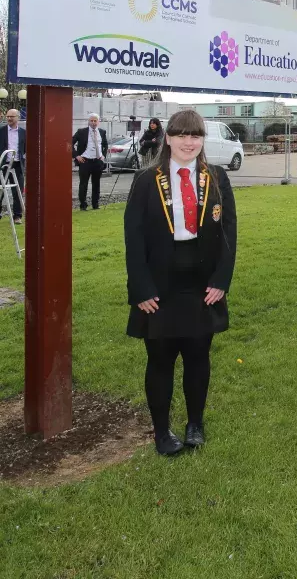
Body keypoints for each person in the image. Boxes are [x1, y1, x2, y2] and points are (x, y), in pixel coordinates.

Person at [124, 109, 237, 456]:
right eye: (182, 135)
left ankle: (195, 424)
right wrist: (141, 288)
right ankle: (161, 432)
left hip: (201, 284)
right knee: (159, 359)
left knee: (198, 355)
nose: (189, 142)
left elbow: (228, 233)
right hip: (160, 285)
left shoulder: (216, 177)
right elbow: (134, 237)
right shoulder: (146, 181)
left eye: (196, 136)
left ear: (202, 140)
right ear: (168, 138)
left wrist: (221, 280)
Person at [72, 113, 108, 210]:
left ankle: (95, 205)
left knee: (96, 184)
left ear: (98, 122)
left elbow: (105, 145)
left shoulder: (102, 132)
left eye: (95, 121)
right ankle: (83, 205)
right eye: (91, 121)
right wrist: (76, 156)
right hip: (85, 161)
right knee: (83, 184)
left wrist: (103, 155)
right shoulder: (81, 132)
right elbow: (70, 142)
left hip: (97, 161)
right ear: (88, 122)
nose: (93, 123)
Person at [0, 108, 26, 223]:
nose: (9, 118)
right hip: (3, 165)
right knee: (1, 190)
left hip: (17, 165)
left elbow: (24, 147)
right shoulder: (1, 131)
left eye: (12, 116)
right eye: (8, 116)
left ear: (18, 118)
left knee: (18, 190)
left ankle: (17, 216)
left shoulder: (23, 132)